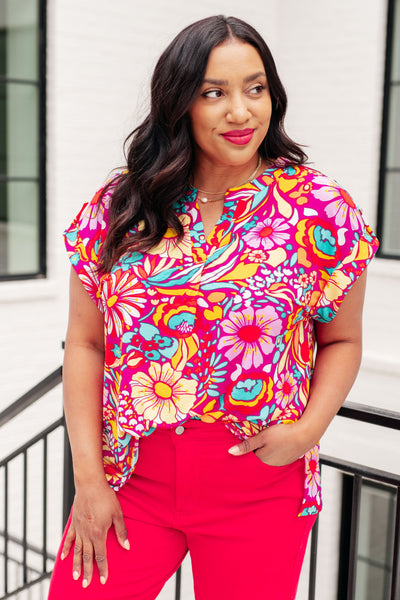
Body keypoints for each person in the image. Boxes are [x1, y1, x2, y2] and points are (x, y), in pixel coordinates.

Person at [48, 14, 379, 600]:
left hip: (258, 487)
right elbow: (86, 343)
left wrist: (308, 431)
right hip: (129, 480)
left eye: (255, 88)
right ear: (179, 103)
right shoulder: (123, 206)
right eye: (213, 92)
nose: (241, 112)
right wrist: (89, 481)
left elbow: (343, 341)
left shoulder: (318, 210)